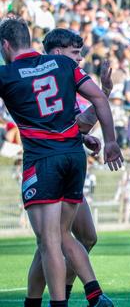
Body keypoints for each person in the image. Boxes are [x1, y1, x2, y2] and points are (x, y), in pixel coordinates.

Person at [0, 17, 122, 307]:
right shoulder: (65, 66)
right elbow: (99, 100)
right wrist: (111, 141)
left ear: (5, 45)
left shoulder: (7, 75)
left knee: (51, 241)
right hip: (73, 157)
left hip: (43, 161)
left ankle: (64, 302)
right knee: (61, 236)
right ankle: (93, 294)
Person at [25, 28, 114, 305]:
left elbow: (77, 123)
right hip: (50, 165)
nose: (79, 59)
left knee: (81, 237)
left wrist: (84, 132)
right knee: (53, 239)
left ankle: (45, 296)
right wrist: (102, 98)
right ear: (57, 52)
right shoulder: (46, 76)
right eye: (75, 53)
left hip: (66, 164)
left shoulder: (61, 79)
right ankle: (68, 295)